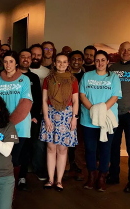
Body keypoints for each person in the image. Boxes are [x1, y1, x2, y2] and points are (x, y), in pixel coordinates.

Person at [79, 50, 122, 192]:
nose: (100, 63)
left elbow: (115, 97)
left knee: (105, 149)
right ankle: (92, 176)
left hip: (107, 120)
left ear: (107, 62)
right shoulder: (86, 76)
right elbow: (82, 95)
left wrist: (100, 112)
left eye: (103, 60)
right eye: (97, 60)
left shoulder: (114, 77)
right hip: (88, 119)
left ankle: (102, 177)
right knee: (90, 149)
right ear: (94, 61)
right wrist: (93, 110)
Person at [0, 51, 33, 196]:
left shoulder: (24, 80)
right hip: (1, 125)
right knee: (2, 157)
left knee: (14, 158)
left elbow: (25, 103)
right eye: (5, 61)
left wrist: (9, 123)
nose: (8, 64)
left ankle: (11, 189)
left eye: (11, 61)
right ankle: (1, 188)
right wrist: (0, 123)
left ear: (16, 63)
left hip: (20, 126)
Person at [40, 53, 79, 192]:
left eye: (64, 62)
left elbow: (75, 101)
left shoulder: (73, 80)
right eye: (59, 62)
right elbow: (44, 100)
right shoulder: (48, 79)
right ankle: (50, 179)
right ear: (54, 63)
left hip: (66, 115)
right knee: (51, 148)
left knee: (62, 150)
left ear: (68, 64)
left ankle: (59, 180)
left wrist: (74, 118)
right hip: (50, 113)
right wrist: (46, 117)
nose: (61, 64)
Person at [108, 41, 130, 193]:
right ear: (119, 51)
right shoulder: (113, 68)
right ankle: (114, 175)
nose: (126, 52)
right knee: (113, 146)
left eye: (129, 50)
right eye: (123, 49)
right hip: (114, 113)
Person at [16, 49, 42, 191]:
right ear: (18, 59)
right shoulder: (12, 76)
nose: (25, 59)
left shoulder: (34, 77)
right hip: (12, 119)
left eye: (28, 57)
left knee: (26, 149)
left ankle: (22, 177)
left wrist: (35, 116)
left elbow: (37, 99)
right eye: (23, 56)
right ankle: (11, 176)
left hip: (28, 120)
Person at [29, 43, 49, 180]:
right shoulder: (21, 71)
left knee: (39, 143)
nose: (35, 57)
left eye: (38, 55)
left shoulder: (47, 72)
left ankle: (38, 168)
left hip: (41, 113)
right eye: (33, 54)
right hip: (23, 113)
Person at [68, 50, 86, 181]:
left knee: (79, 142)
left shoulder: (86, 76)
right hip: (65, 114)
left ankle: (78, 166)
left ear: (82, 62)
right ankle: (66, 166)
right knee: (66, 142)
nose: (76, 61)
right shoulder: (64, 76)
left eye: (79, 59)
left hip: (82, 114)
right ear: (69, 61)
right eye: (73, 59)